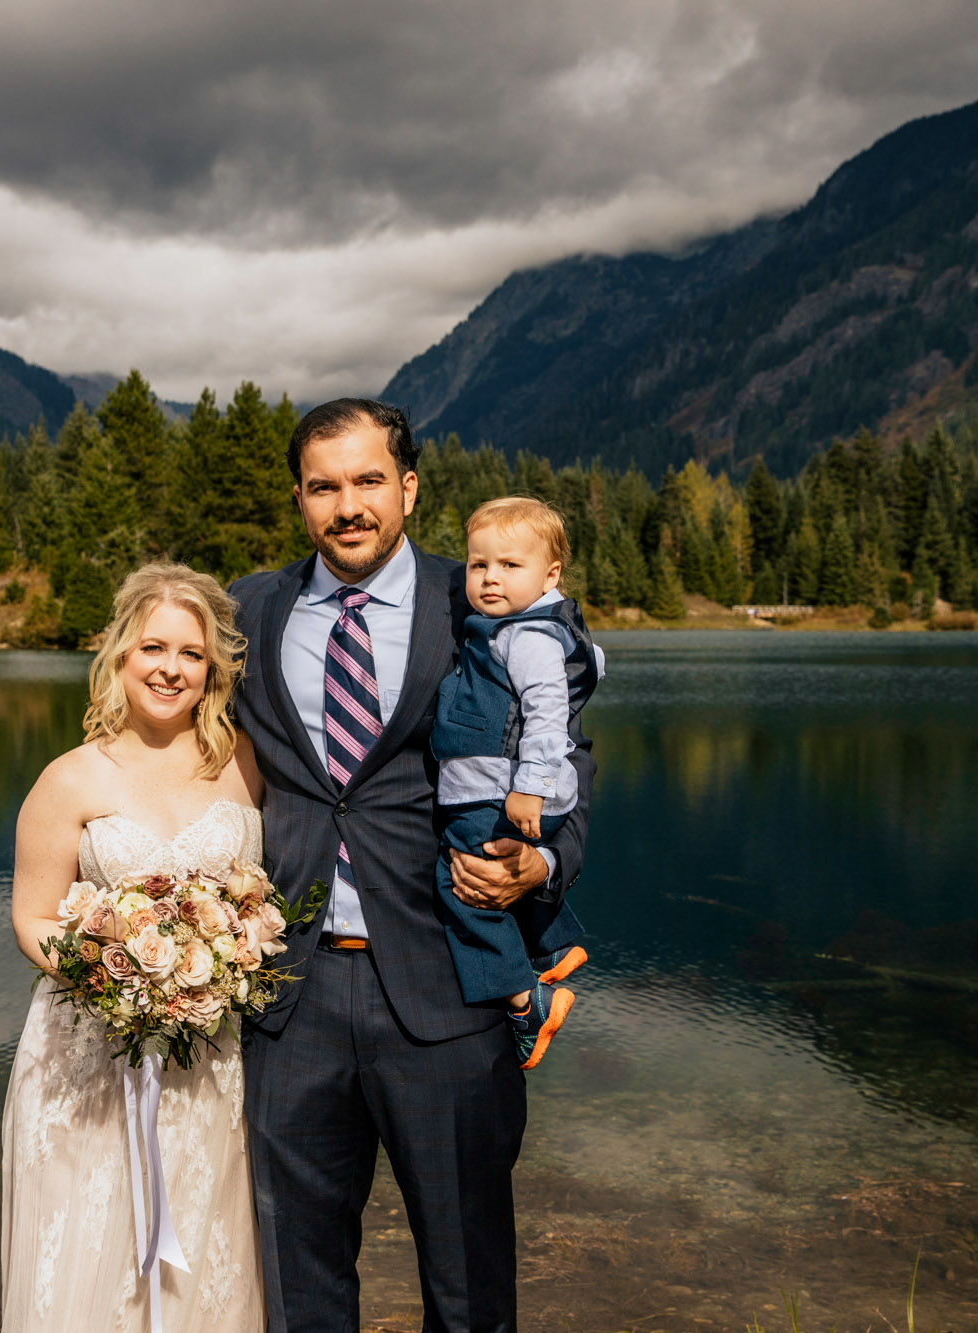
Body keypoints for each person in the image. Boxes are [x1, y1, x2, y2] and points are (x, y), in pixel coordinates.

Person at [230, 400, 595, 1333]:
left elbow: (566, 761)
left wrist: (541, 861)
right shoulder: (248, 610)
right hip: (289, 999)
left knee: (469, 1288)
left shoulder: (474, 598)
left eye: (366, 481)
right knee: (297, 1286)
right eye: (323, 486)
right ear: (300, 498)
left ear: (408, 487)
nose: (346, 505)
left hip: (447, 990)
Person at [0, 563, 266, 1333]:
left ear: (212, 667)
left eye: (190, 652)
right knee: (90, 1244)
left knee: (210, 1235)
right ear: (120, 653)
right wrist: (125, 983)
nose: (170, 667)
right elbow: (33, 917)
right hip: (89, 1055)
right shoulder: (71, 777)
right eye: (154, 646)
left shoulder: (246, 764)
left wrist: (211, 971)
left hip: (213, 1054)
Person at [430, 496, 603, 1070]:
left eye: (509, 566)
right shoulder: (504, 627)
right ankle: (557, 943)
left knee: (463, 886)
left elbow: (551, 716)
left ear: (550, 574)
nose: (489, 578)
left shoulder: (527, 637)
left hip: (499, 789)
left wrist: (531, 785)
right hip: (497, 786)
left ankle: (526, 1002)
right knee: (495, 870)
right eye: (479, 566)